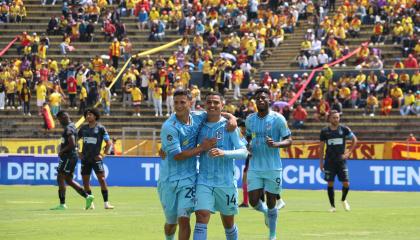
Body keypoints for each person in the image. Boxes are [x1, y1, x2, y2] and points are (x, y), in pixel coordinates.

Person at [159, 89, 236, 240]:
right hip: (168, 180)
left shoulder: (198, 117)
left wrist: (232, 117)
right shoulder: (169, 126)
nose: (179, 106)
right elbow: (177, 156)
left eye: (182, 102)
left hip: (189, 178)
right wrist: (202, 147)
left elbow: (215, 112)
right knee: (171, 222)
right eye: (176, 103)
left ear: (190, 103)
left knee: (184, 218)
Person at [193, 92, 248, 240]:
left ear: (222, 105)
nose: (212, 105)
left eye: (216, 102)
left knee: (228, 222)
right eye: (209, 102)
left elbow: (244, 152)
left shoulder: (230, 127)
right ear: (205, 105)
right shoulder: (199, 126)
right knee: (202, 215)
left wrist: (224, 153)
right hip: (204, 181)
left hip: (226, 183)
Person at [245, 88, 292, 240]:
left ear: (269, 100)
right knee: (253, 201)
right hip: (255, 166)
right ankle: (265, 212)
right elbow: (247, 138)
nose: (260, 100)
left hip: (273, 167)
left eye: (263, 98)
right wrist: (248, 146)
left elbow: (289, 140)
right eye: (258, 98)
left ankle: (272, 235)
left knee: (272, 201)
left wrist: (276, 144)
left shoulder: (278, 119)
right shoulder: (250, 119)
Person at [51, 111, 94, 210]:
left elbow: (72, 143)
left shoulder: (69, 128)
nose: (59, 122)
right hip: (72, 156)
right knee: (68, 180)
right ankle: (88, 197)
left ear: (64, 117)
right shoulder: (72, 126)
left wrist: (62, 151)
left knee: (60, 177)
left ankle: (62, 204)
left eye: (59, 119)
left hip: (68, 156)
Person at [319, 110, 358, 212]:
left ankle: (343, 200)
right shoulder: (324, 131)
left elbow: (354, 140)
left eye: (337, 117)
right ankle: (332, 206)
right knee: (330, 183)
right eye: (334, 117)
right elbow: (321, 147)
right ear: (329, 118)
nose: (336, 119)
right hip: (329, 161)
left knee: (346, 183)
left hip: (341, 161)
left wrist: (348, 153)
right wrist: (321, 162)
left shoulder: (344, 129)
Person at [78, 108, 114, 210]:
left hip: (96, 159)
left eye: (90, 114)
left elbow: (109, 143)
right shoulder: (83, 129)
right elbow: (75, 140)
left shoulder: (101, 128)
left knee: (102, 180)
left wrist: (103, 155)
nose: (88, 116)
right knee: (85, 181)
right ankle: (91, 202)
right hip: (85, 158)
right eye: (87, 115)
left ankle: (106, 203)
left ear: (95, 116)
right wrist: (78, 152)